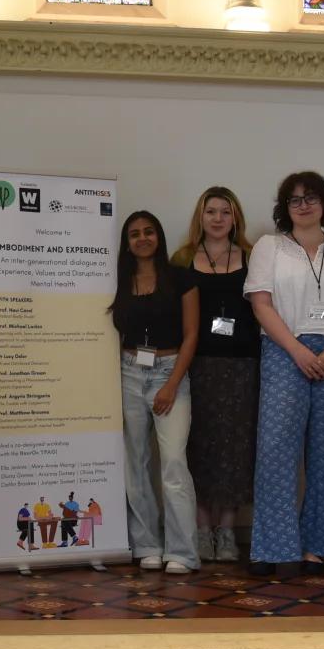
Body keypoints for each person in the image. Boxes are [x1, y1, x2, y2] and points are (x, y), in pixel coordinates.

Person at [243, 171, 324, 577]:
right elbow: (261, 304)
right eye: (295, 199)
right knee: (276, 452)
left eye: (311, 197)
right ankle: (273, 548)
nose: (303, 205)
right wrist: (297, 350)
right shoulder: (270, 247)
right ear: (285, 207)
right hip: (285, 351)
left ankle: (316, 547)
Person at [171, 187, 259, 563]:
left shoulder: (255, 257)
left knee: (235, 448)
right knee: (199, 445)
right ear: (200, 216)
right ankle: (202, 529)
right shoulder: (183, 259)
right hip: (198, 365)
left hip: (242, 366)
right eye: (211, 212)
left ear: (235, 217)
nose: (218, 218)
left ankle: (227, 530)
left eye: (226, 212)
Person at [110, 211, 200, 574]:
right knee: (135, 464)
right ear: (127, 242)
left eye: (148, 232)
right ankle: (146, 543)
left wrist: (172, 383)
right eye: (134, 234)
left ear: (159, 236)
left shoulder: (180, 277)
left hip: (170, 372)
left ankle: (182, 551)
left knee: (174, 463)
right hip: (129, 373)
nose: (142, 238)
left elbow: (192, 334)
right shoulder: (118, 280)